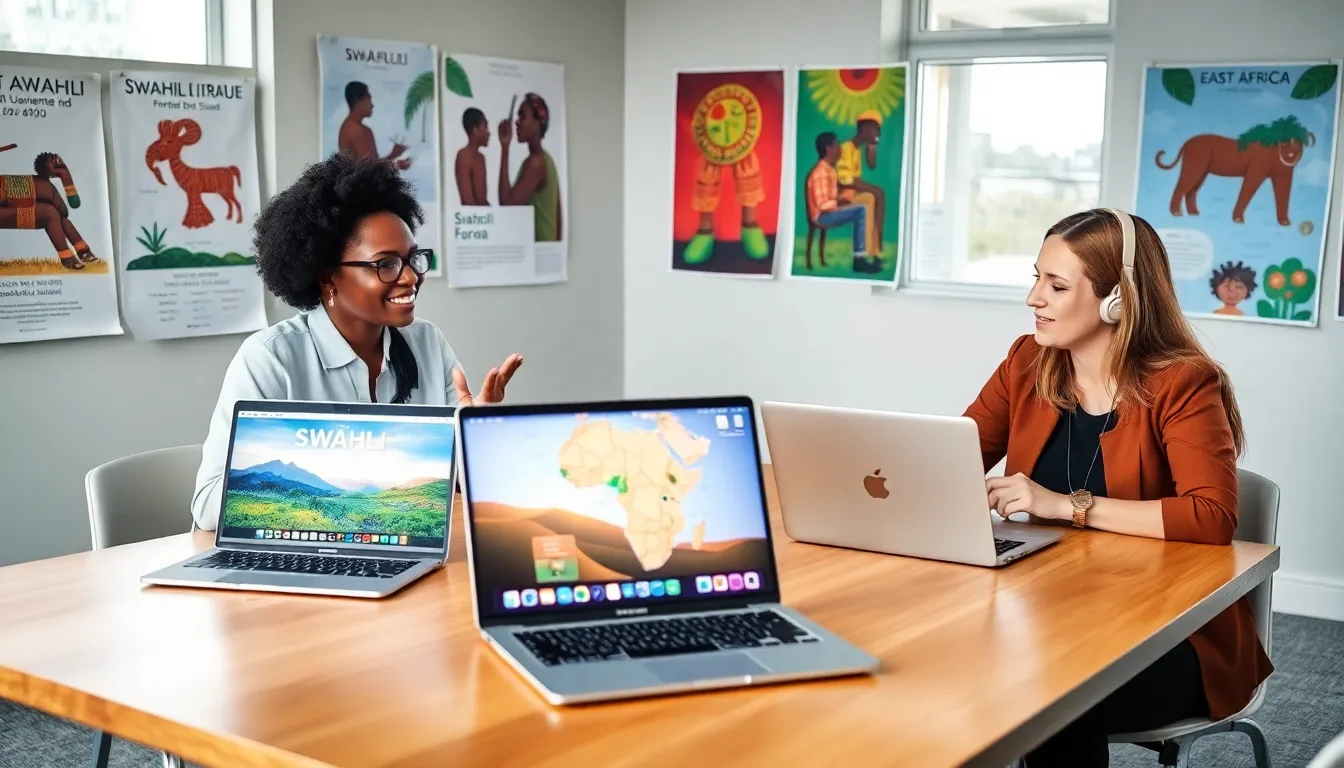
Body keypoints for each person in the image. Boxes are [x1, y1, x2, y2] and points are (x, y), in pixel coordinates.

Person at [963, 208, 1272, 767]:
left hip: (1167, 633)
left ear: (1118, 300)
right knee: (943, 658)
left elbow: (1211, 516)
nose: (1033, 298)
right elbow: (955, 459)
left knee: (1051, 691)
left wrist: (1066, 506)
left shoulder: (1182, 381)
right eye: (1036, 278)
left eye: (1056, 286)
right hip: (1047, 607)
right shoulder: (1027, 361)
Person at [190, 153, 523, 530]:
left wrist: (476, 431)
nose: (411, 277)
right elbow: (207, 506)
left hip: (405, 548)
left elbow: (458, 485)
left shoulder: (427, 342)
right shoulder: (271, 359)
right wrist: (321, 491)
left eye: (413, 259)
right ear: (328, 278)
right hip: (305, 559)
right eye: (386, 264)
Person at [803, 132, 873, 271]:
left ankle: (863, 256)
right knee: (860, 211)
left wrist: (844, 195)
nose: (840, 149)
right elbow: (822, 205)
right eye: (837, 145)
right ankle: (859, 260)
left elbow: (832, 195)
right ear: (828, 148)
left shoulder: (829, 170)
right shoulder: (820, 173)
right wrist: (840, 202)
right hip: (821, 217)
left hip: (829, 212)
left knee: (861, 204)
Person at [497, 92, 562, 242]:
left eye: (522, 116)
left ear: (538, 122)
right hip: (545, 249)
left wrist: (505, 147)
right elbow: (558, 214)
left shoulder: (536, 163)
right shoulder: (545, 160)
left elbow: (507, 206)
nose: (517, 122)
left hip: (539, 249)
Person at [834, 109, 885, 250]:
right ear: (865, 129)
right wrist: (872, 189)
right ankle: (870, 248)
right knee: (871, 197)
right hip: (841, 197)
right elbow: (844, 180)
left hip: (851, 194)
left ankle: (875, 247)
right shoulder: (845, 148)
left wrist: (872, 148)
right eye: (875, 130)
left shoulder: (856, 150)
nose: (877, 134)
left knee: (875, 196)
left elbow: (872, 165)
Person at [338, 81, 411, 170]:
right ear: (356, 100)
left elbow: (372, 165)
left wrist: (394, 158)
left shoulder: (348, 126)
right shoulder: (357, 131)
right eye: (369, 99)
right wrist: (395, 160)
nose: (372, 105)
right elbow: (371, 171)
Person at [455, 107, 490, 206]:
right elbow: (467, 200)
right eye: (485, 127)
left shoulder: (481, 158)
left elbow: (482, 199)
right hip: (472, 214)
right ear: (475, 130)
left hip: (483, 213)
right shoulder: (463, 156)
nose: (489, 133)